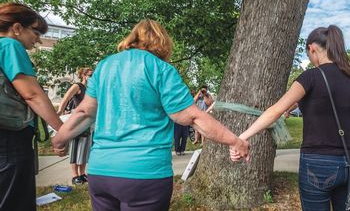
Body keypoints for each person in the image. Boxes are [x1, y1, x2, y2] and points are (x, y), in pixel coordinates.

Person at [52, 19, 249, 211]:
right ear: (162, 43)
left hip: (100, 171)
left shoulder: (104, 66)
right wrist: (235, 141)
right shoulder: (160, 69)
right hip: (144, 174)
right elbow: (192, 117)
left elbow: (85, 112)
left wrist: (60, 138)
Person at [230, 25, 350, 211]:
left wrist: (242, 137)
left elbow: (275, 111)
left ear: (312, 48)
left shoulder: (311, 77)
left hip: (318, 164)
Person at [0, 2, 63, 211]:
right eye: (35, 32)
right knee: (15, 200)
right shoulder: (9, 45)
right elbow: (32, 94)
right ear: (17, 28)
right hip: (10, 138)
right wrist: (62, 130)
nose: (37, 39)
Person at [57, 67, 93, 185]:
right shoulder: (77, 86)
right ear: (83, 75)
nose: (92, 77)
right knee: (75, 147)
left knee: (85, 148)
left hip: (88, 122)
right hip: (76, 121)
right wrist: (60, 111)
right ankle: (75, 175)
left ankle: (82, 174)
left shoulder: (91, 89)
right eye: (90, 75)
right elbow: (66, 97)